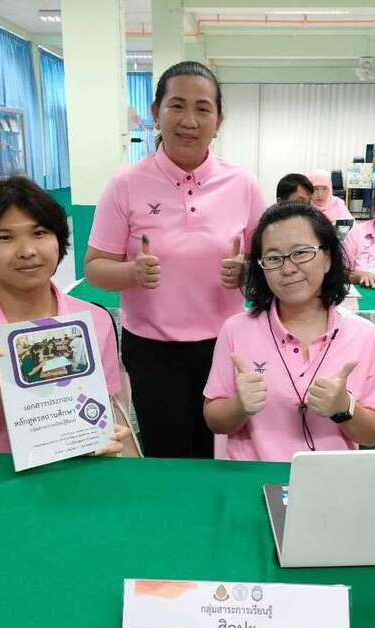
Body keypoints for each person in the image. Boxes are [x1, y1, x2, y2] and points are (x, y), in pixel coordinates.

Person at [85, 61, 267, 459]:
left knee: (222, 450)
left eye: (203, 108)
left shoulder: (243, 184)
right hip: (152, 348)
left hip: (226, 344)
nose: (189, 120)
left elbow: (269, 262)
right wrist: (132, 272)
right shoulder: (125, 184)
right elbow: (95, 268)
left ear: (218, 121)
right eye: (177, 105)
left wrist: (248, 272)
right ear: (156, 112)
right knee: (166, 455)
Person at [0, 177, 136, 456]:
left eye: (39, 233)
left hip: (78, 473)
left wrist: (106, 437)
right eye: (5, 237)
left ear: (59, 240)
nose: (27, 251)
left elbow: (109, 415)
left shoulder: (94, 321)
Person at [203, 201, 375, 461]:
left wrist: (344, 408)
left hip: (328, 475)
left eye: (301, 253)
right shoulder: (236, 330)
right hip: (255, 476)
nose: (288, 268)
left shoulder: (364, 336)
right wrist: (239, 406)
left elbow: (372, 434)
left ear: (327, 258)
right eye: (273, 258)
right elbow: (215, 421)